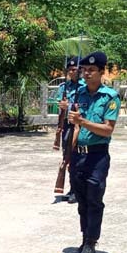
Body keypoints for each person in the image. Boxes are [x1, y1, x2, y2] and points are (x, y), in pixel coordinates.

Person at [67, 51, 120, 253]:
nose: (87, 74)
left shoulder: (109, 97)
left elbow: (107, 130)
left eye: (91, 70)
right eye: (84, 70)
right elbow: (73, 126)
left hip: (97, 156)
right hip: (78, 154)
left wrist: (84, 121)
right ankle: (83, 239)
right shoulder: (77, 94)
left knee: (94, 199)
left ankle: (91, 242)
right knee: (81, 200)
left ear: (101, 72)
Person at [56, 57, 85, 204]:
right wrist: (61, 106)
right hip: (68, 125)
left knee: (78, 158)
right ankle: (72, 188)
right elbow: (57, 107)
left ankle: (78, 189)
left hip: (82, 125)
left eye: (76, 69)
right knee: (67, 157)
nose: (73, 72)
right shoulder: (63, 87)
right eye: (71, 70)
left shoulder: (85, 87)